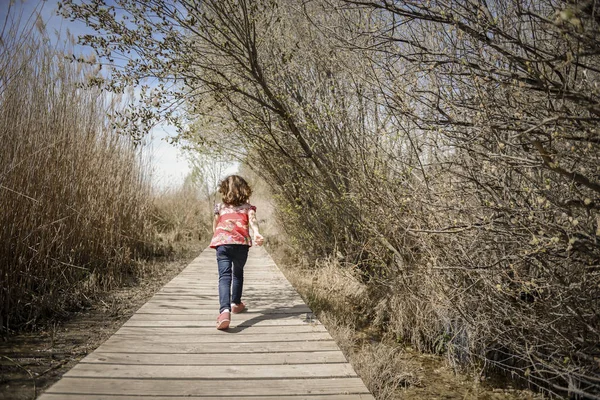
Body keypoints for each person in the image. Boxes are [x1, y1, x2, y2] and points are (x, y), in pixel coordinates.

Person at [209, 175, 264, 330]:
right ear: (244, 189)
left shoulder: (219, 207)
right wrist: (256, 233)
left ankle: (224, 312)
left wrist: (218, 237)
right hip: (241, 244)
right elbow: (252, 221)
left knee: (224, 276)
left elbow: (215, 225)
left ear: (224, 190)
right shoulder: (248, 207)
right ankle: (236, 303)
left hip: (223, 244)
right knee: (238, 273)